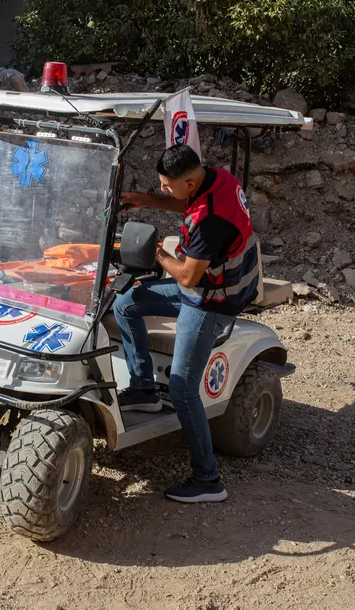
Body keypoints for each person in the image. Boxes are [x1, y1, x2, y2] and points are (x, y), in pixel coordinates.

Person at [114, 143, 260, 503]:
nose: (163, 189)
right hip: (203, 287)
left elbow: (187, 276)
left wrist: (156, 253)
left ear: (190, 182)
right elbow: (185, 204)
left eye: (166, 185)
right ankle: (144, 390)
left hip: (212, 301)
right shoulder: (217, 178)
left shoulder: (211, 222)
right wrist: (145, 200)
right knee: (126, 303)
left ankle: (208, 479)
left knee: (182, 388)